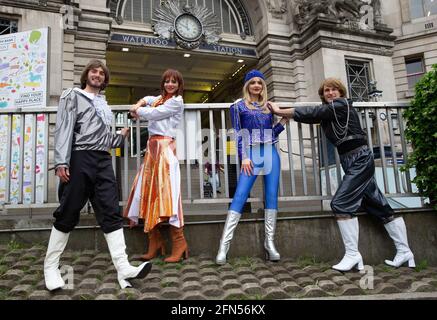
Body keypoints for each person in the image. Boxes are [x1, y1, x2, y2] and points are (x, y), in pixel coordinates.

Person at [268, 77, 416, 271]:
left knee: (340, 203)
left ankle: (353, 255)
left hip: (361, 158)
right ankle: (405, 252)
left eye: (333, 90)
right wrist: (288, 115)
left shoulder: (341, 105)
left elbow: (314, 111)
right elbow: (313, 115)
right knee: (377, 203)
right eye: (326, 91)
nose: (330, 93)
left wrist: (279, 110)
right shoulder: (330, 112)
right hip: (350, 160)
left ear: (340, 92)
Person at [44, 59, 152, 291]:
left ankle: (123, 267)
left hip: (103, 160)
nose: (98, 75)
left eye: (102, 73)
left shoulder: (104, 104)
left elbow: (104, 140)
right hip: (80, 157)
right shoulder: (72, 95)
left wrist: (121, 135)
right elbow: (63, 127)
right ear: (86, 75)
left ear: (105, 80)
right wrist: (61, 161)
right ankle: (50, 267)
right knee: (69, 210)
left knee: (111, 210)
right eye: (94, 71)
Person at [215, 70, 288, 265]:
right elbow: (238, 133)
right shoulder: (238, 106)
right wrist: (244, 157)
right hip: (252, 154)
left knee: (272, 195)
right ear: (247, 85)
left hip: (270, 152)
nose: (256, 85)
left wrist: (283, 120)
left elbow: (272, 134)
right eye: (253, 82)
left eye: (259, 83)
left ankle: (269, 243)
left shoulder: (268, 107)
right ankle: (224, 247)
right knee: (240, 195)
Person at [125, 69, 188, 263]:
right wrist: (138, 103)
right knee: (146, 194)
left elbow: (154, 114)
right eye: (167, 81)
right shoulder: (160, 98)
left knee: (168, 195)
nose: (170, 84)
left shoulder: (176, 101)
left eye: (174, 82)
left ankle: (179, 243)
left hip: (166, 149)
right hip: (152, 150)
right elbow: (147, 99)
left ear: (179, 85)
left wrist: (136, 110)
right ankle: (155, 242)